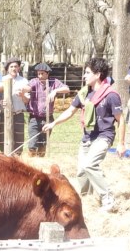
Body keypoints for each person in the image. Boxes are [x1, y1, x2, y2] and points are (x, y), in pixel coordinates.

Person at [43, 57, 122, 212]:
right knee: (81, 172)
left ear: (97, 75)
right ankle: (86, 200)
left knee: (90, 165)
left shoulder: (111, 95)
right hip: (88, 136)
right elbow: (70, 111)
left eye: (87, 72)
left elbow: (121, 119)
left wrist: (122, 143)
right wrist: (54, 123)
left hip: (104, 135)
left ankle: (108, 199)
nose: (84, 75)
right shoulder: (84, 93)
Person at [26, 63, 70, 157]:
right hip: (34, 118)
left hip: (48, 118)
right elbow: (28, 87)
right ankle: (31, 161)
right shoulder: (34, 81)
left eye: (42, 73)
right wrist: (23, 90)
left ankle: (41, 161)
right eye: (38, 73)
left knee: (43, 143)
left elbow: (67, 89)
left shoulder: (54, 82)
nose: (40, 76)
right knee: (32, 143)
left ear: (47, 74)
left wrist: (55, 91)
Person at [0, 57, 30, 154]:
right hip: (5, 115)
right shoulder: (2, 80)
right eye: (11, 67)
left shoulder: (24, 81)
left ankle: (16, 158)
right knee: (3, 140)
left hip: (18, 114)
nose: (14, 68)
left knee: (19, 140)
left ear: (19, 68)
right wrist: (1, 102)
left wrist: (22, 95)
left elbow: (27, 100)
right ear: (7, 69)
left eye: (16, 66)